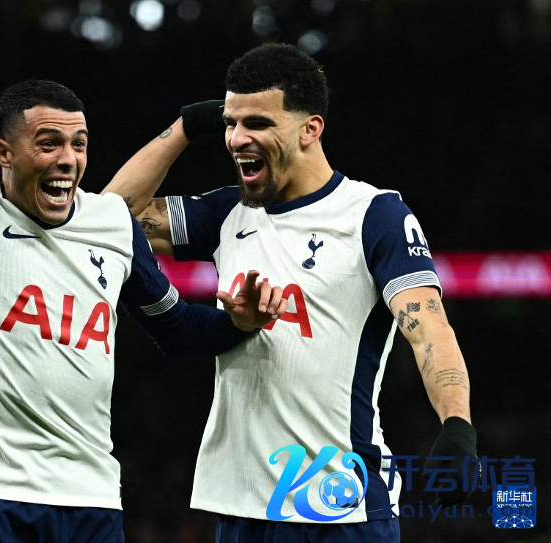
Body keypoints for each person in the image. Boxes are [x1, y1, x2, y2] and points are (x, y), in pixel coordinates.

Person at [0, 66, 288, 542]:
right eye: (48, 143)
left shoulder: (111, 220)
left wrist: (237, 324)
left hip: (91, 499)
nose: (68, 159)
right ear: (5, 152)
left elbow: (176, 328)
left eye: (79, 144)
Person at [103, 43, 478, 542]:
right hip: (239, 507)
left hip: (341, 509)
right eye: (230, 123)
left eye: (258, 123)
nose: (236, 139)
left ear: (310, 129)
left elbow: (429, 328)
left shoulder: (374, 215)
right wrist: (186, 127)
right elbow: (110, 217)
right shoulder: (226, 214)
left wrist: (457, 422)